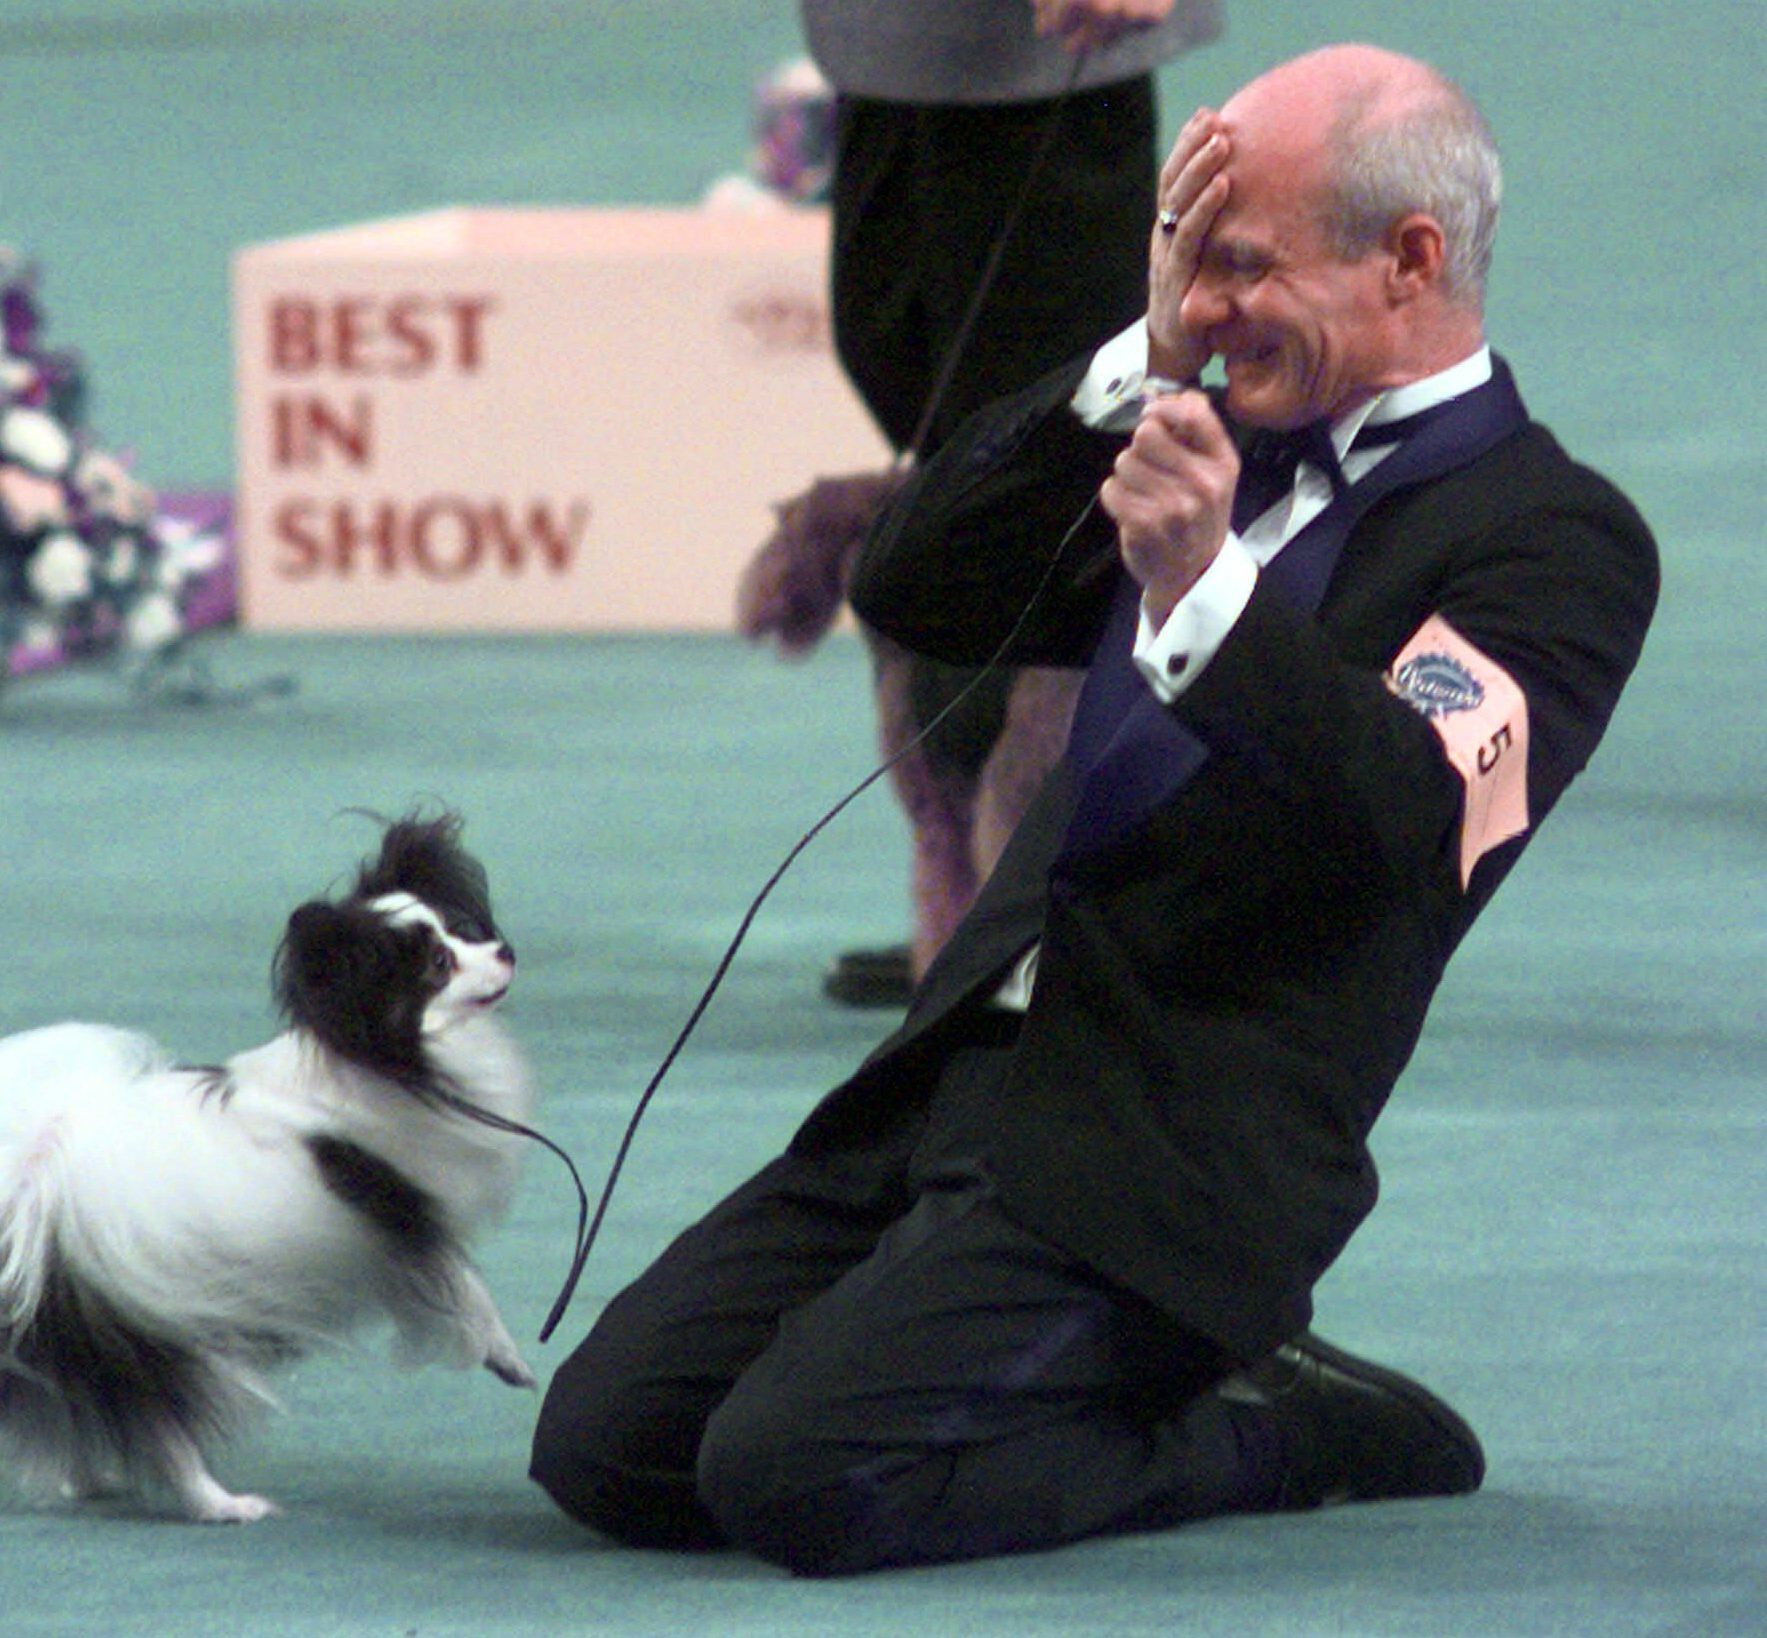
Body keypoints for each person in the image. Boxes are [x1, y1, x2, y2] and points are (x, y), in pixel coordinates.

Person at [534, 45, 1660, 1576]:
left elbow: (1405, 820)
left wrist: (1209, 592)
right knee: (609, 1448)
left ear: (1410, 260)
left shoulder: (1552, 540)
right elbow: (914, 583)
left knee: (801, 1476)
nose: (1212, 308)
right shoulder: (1202, 424)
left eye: (1244, 266)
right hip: (957, 1081)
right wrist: (1137, 348)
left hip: (1168, 1153)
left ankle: (1269, 1422)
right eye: (1193, 261)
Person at [739, 0, 1223, 1008]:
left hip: (1036, 47)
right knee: (910, 370)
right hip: (899, 45)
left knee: (1051, 433)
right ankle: (976, 898)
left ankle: (1051, 911)